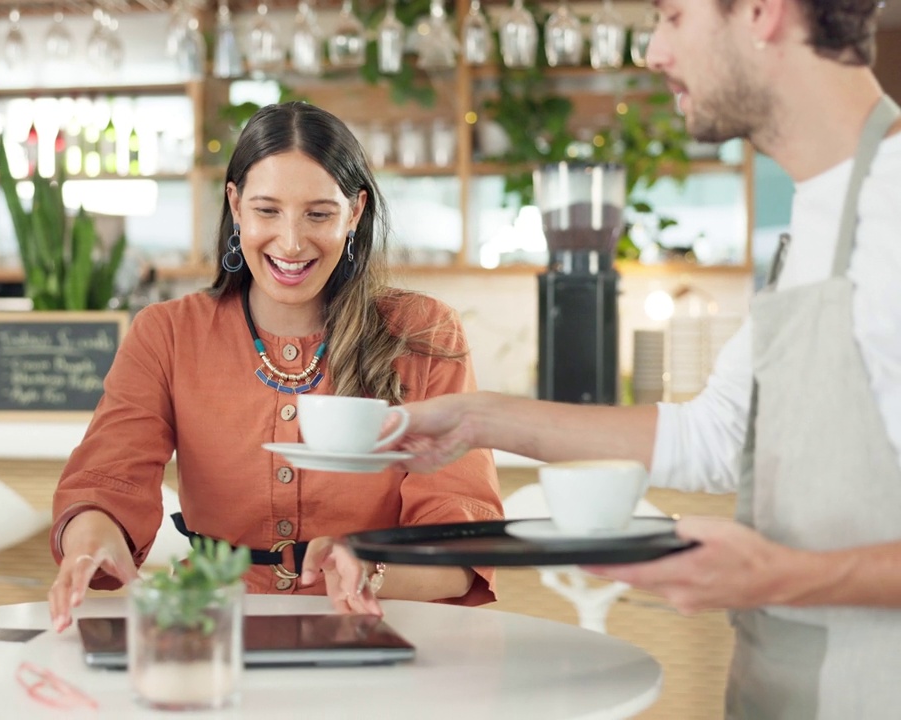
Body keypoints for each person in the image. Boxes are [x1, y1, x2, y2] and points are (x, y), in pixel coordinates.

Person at [316, 1, 900, 717]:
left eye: (672, 17)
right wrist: (475, 418)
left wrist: (783, 577)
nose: (653, 52)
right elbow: (717, 436)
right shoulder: (817, 214)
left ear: (761, 11)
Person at [48, 101, 503, 632]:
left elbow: (460, 542)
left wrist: (370, 573)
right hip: (215, 628)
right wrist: (91, 543)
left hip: (381, 627)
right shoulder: (166, 333)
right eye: (267, 211)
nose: (291, 242)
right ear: (235, 205)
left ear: (354, 212)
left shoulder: (425, 332)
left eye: (319, 213)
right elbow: (107, 482)